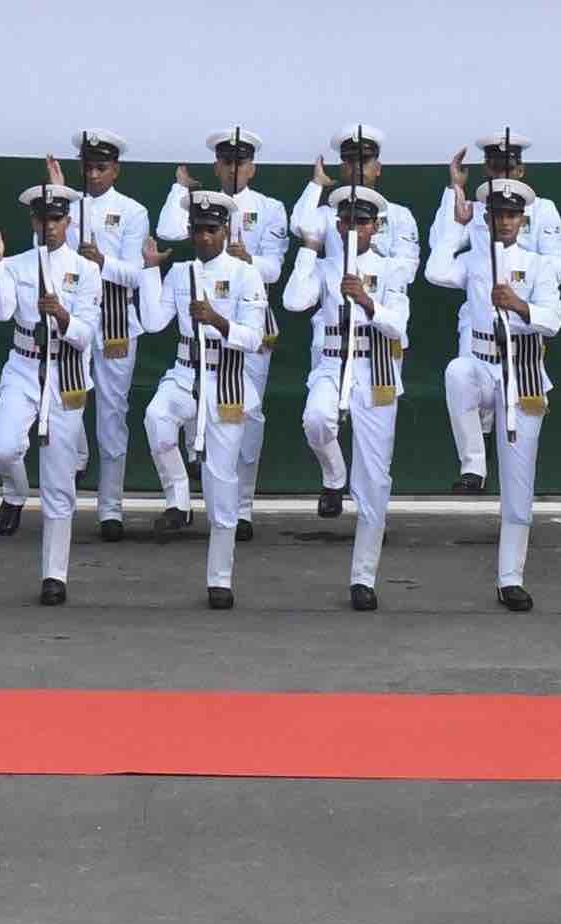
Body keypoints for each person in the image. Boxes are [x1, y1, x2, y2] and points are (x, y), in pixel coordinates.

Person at [150, 131, 285, 541]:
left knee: (246, 418)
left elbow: (276, 269)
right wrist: (179, 188)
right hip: (196, 342)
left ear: (252, 166)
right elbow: (169, 229)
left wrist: (251, 260)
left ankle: (241, 508)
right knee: (187, 412)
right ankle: (193, 480)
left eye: (240, 162)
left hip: (246, 323)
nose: (233, 168)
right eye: (226, 162)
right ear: (216, 166)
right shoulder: (202, 206)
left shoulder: (270, 207)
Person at [286, 186, 413, 609]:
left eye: (363, 221)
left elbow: (399, 329)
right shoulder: (324, 267)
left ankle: (363, 578)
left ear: (375, 226)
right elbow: (292, 302)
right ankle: (334, 478)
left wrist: (367, 301)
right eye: (347, 221)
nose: (354, 228)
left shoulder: (393, 269)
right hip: (331, 362)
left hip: (374, 369)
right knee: (316, 421)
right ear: (337, 224)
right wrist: (308, 251)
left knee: (375, 481)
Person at [289, 125, 417, 521]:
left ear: (378, 166)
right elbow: (301, 228)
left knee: (374, 454)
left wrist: (369, 292)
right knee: (318, 418)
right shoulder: (328, 213)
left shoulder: (398, 217)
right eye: (350, 161)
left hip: (375, 347)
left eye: (365, 160)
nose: (358, 167)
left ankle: (369, 523)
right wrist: (315, 189)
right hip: (331, 337)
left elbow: (405, 275)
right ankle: (334, 479)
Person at [160, 191, 275, 608]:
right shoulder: (180, 272)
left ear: (226, 230)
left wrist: (217, 320)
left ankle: (220, 578)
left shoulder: (245, 274)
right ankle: (177, 495)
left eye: (212, 229)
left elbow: (254, 337)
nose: (204, 237)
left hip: (225, 376)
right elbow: (154, 321)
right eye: (197, 230)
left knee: (222, 484)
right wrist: (148, 272)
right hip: (185, 370)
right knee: (156, 420)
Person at [0, 184, 102, 604]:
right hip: (23, 363)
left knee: (58, 482)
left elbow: (87, 333)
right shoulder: (17, 264)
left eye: (57, 220)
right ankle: (15, 492)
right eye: (43, 220)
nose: (50, 227)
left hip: (65, 370)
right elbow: (1, 312)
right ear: (33, 222)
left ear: (67, 222)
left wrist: (63, 315)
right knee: (3, 449)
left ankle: (54, 574)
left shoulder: (85, 270)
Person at [456, 178, 560, 609]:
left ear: (523, 219)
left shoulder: (538, 265)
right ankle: (473, 464)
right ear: (487, 217)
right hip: (480, 361)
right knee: (455, 371)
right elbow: (434, 270)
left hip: (523, 370)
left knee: (519, 485)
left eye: (513, 215)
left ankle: (510, 578)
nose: (505, 222)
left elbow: (553, 321)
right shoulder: (473, 258)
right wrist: (453, 217)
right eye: (498, 214)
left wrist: (518, 304)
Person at [64, 131, 154, 539]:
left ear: (115, 169)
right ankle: (72, 474)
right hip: (72, 319)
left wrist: (101, 262)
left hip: (117, 321)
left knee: (112, 416)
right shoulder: (66, 206)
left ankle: (110, 509)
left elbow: (136, 273)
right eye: (88, 166)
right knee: (69, 402)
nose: (94, 174)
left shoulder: (132, 211)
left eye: (101, 167)